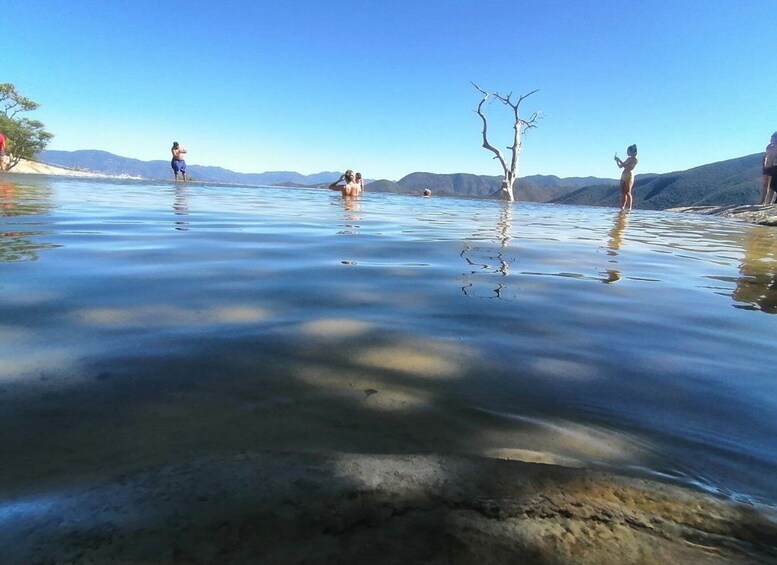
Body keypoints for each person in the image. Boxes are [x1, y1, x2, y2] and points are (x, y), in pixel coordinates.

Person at [614, 144, 638, 210]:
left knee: (628, 192)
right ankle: (623, 206)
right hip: (624, 174)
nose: (627, 153)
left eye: (628, 151)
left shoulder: (635, 159)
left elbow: (625, 165)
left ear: (632, 151)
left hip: (629, 175)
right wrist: (617, 161)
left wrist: (619, 159)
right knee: (623, 192)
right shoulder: (628, 158)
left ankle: (629, 207)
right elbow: (621, 166)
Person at [761, 132, 777, 205]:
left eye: (772, 138)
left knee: (772, 185)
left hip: (774, 167)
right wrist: (765, 164)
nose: (771, 140)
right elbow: (767, 156)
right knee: (765, 184)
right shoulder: (769, 147)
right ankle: (763, 201)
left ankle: (768, 202)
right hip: (767, 166)